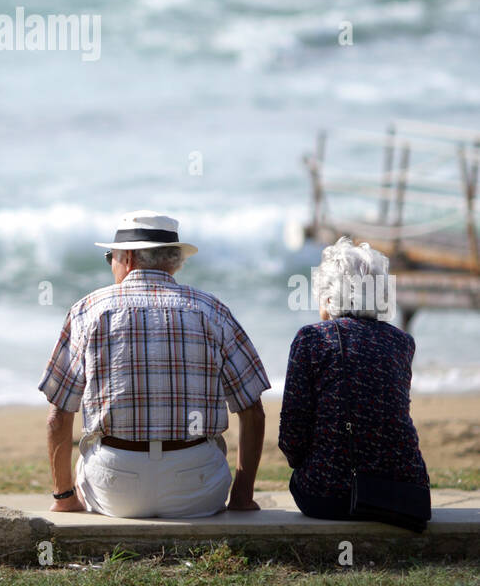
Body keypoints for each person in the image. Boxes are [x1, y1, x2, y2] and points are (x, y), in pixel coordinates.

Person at [37, 210, 270, 518]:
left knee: (89, 463)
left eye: (111, 257)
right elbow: (252, 411)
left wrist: (64, 497)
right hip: (196, 487)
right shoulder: (212, 311)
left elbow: (59, 414)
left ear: (128, 258)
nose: (111, 265)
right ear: (174, 261)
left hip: (115, 487)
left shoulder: (88, 311)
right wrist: (241, 495)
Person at [279, 235, 430, 520]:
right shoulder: (402, 342)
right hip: (404, 493)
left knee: (300, 481)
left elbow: (292, 436)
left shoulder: (312, 338)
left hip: (331, 494)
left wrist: (307, 463)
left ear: (327, 297)